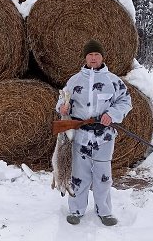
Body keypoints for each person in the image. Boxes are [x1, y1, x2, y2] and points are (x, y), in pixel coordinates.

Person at [56, 39, 132, 226]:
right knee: (78, 175)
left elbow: (125, 102)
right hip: (80, 136)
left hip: (104, 138)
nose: (93, 58)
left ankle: (104, 211)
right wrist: (63, 108)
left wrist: (112, 115)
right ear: (85, 57)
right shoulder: (74, 81)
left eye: (97, 54)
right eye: (90, 54)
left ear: (102, 57)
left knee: (103, 176)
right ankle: (76, 210)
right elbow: (61, 101)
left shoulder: (113, 81)